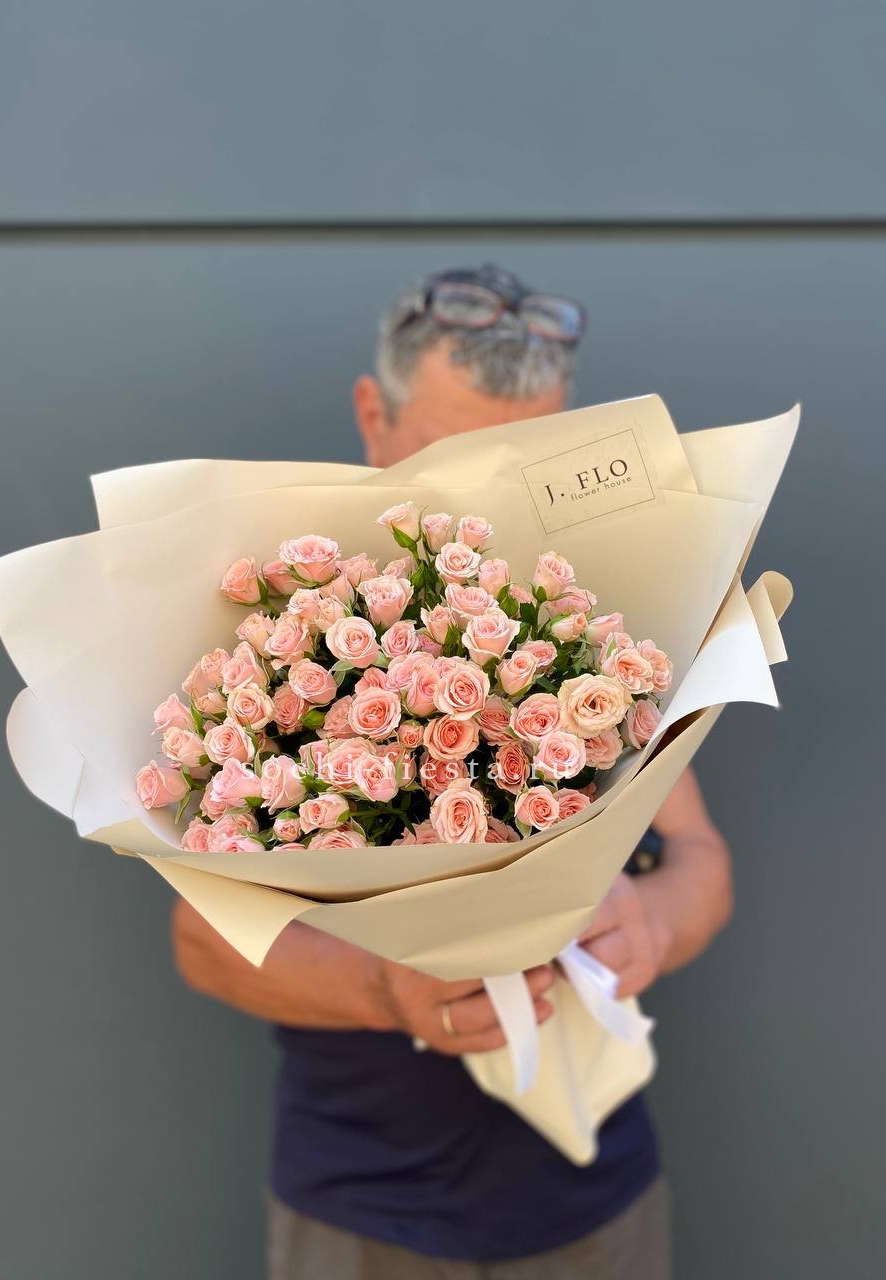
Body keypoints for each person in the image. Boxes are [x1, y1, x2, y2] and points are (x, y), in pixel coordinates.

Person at [172, 264, 733, 1279]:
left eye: (523, 462)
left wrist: (651, 921)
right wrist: (385, 990)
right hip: (364, 1208)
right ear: (371, 416)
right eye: (454, 457)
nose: (486, 495)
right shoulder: (287, 633)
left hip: (594, 1194)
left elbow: (699, 857)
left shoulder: (591, 634)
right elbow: (202, 943)